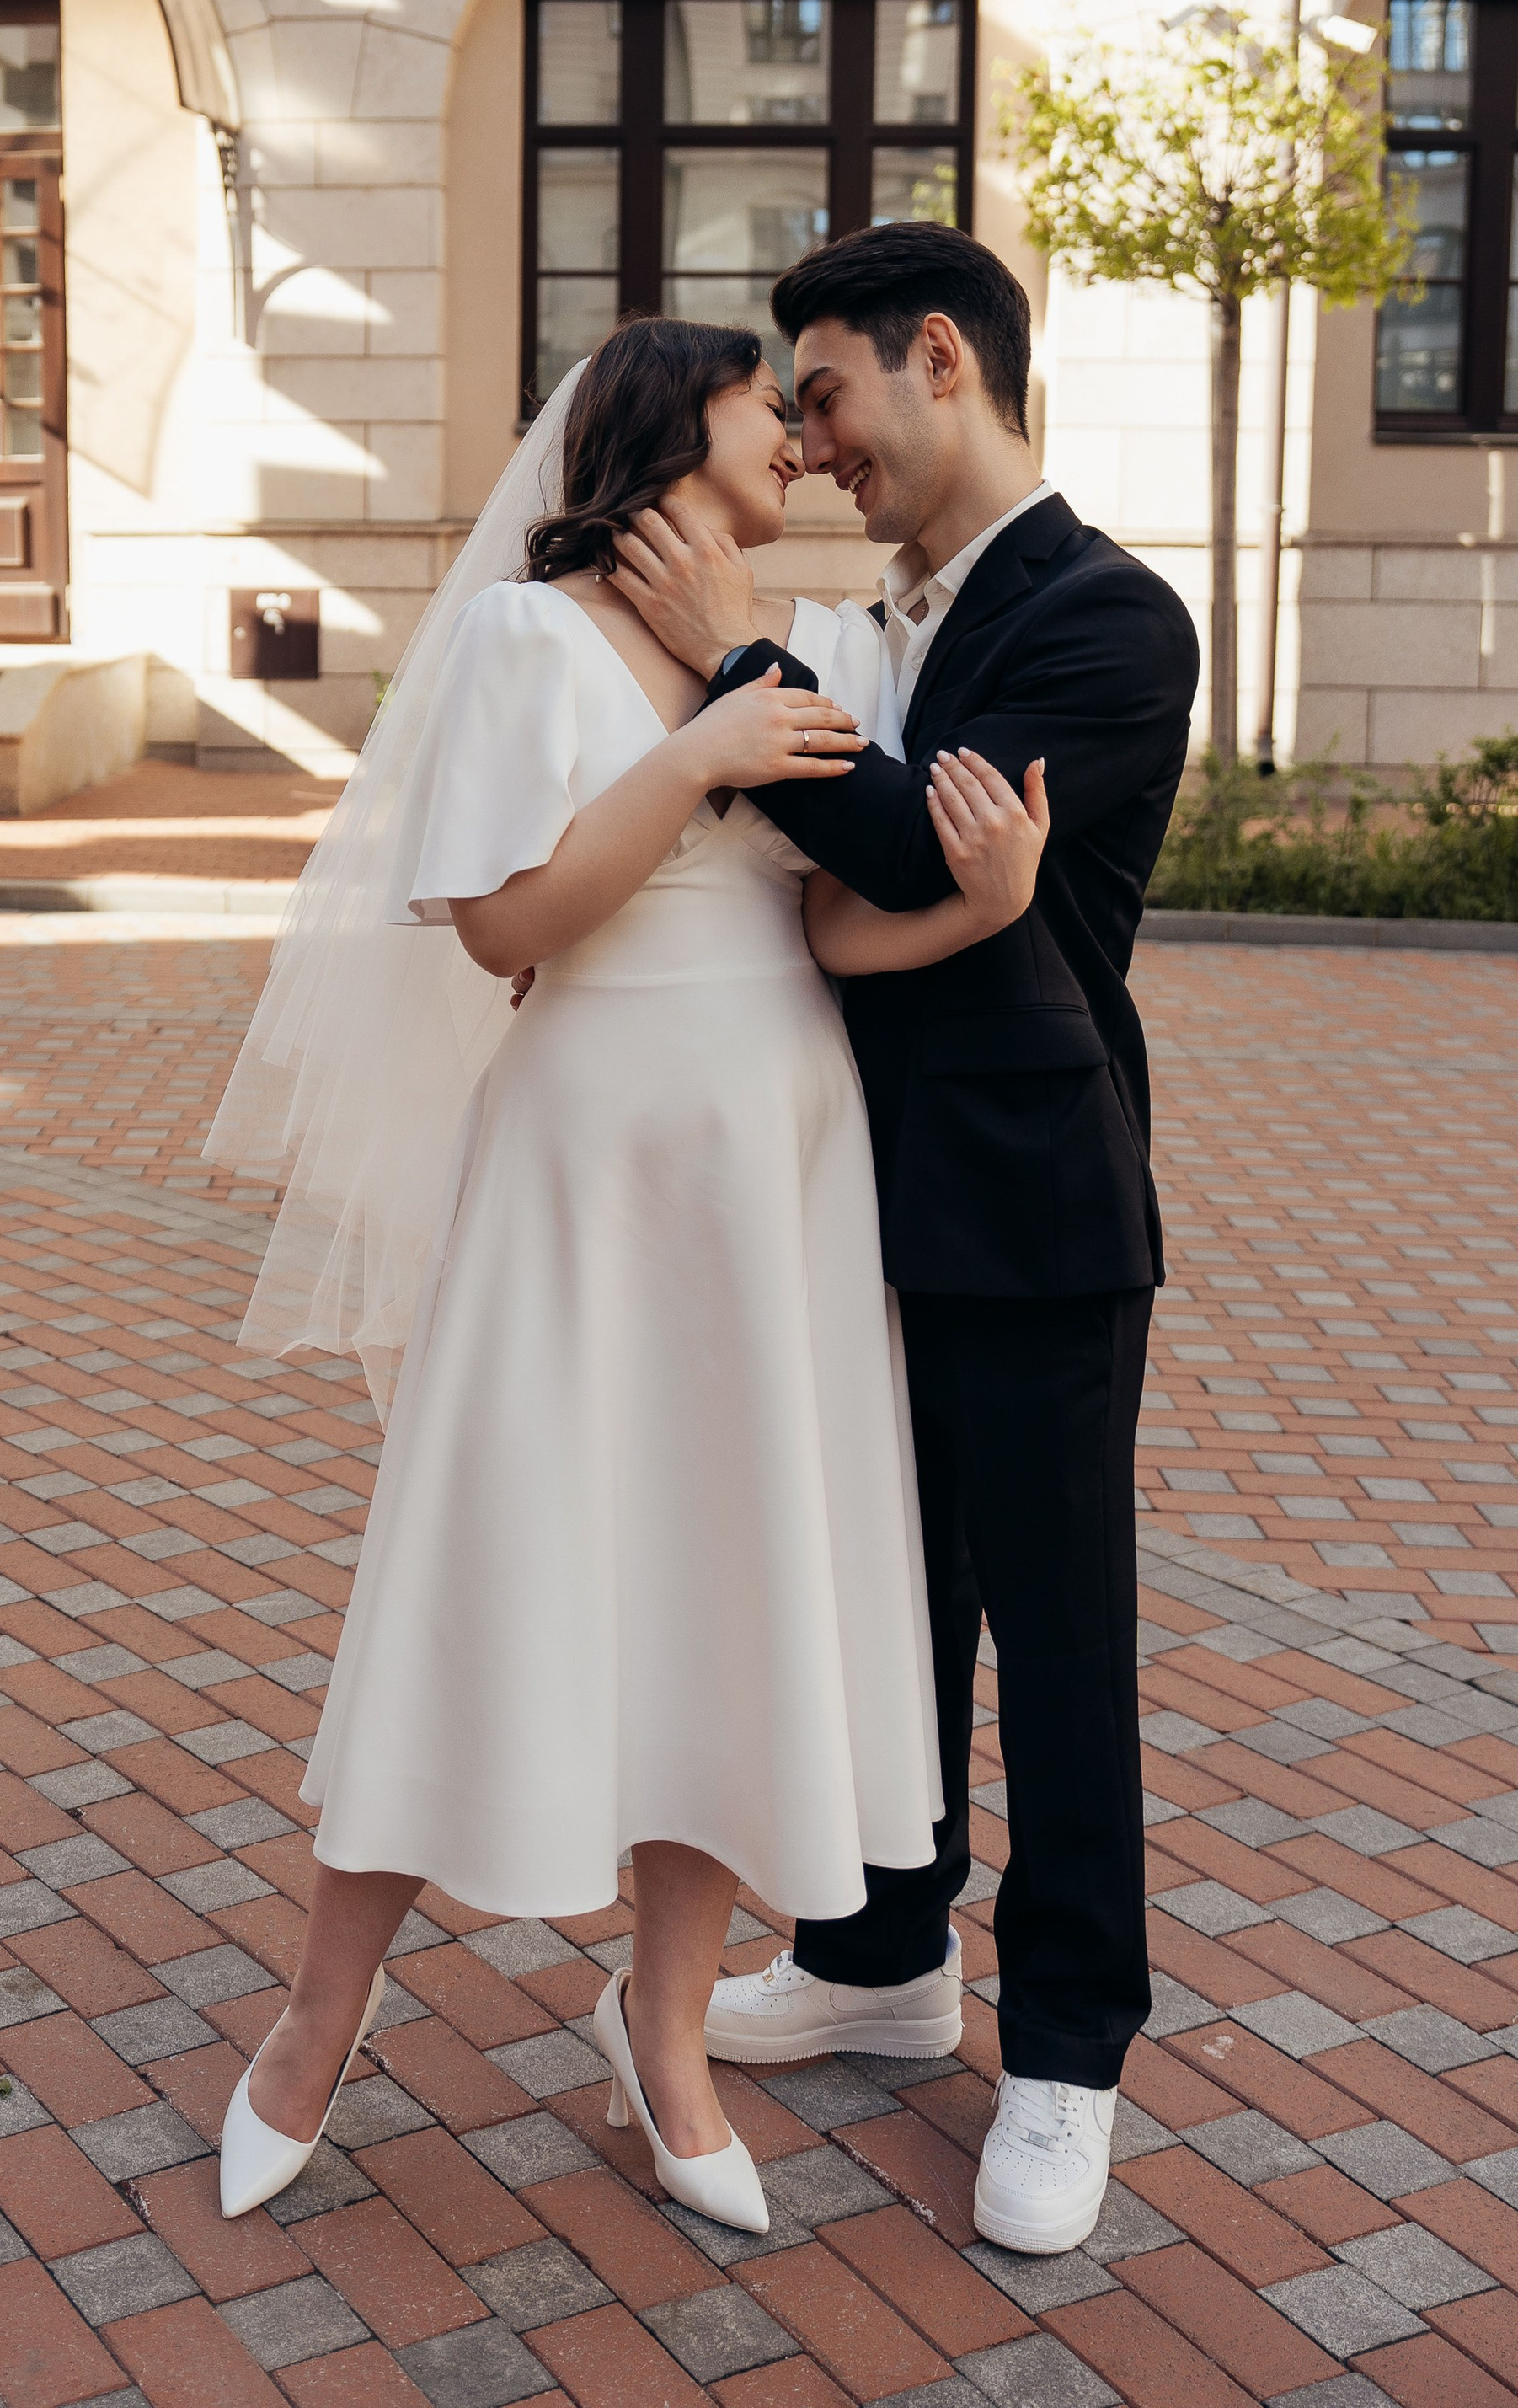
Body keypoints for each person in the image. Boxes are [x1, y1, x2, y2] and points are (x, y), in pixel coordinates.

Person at [206, 316, 1050, 2234]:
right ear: (672, 427)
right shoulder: (525, 637)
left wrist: (976, 902)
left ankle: (662, 2038)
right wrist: (693, 752)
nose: (802, 438)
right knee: (477, 1571)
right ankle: (310, 2025)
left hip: (773, 1164)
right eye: (772, 404)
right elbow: (505, 921)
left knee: (720, 1592)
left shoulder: (819, 647)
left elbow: (835, 921)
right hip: (578, 1156)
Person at [612, 224, 1199, 2257]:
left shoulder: (1109, 619)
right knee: (883, 1595)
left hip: (1032, 1208)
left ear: (935, 356)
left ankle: (1062, 2051)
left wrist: (722, 664)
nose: (806, 439)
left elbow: (899, 844)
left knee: (1052, 1637)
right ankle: (875, 1958)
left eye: (825, 394)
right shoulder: (893, 612)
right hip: (851, 1187)